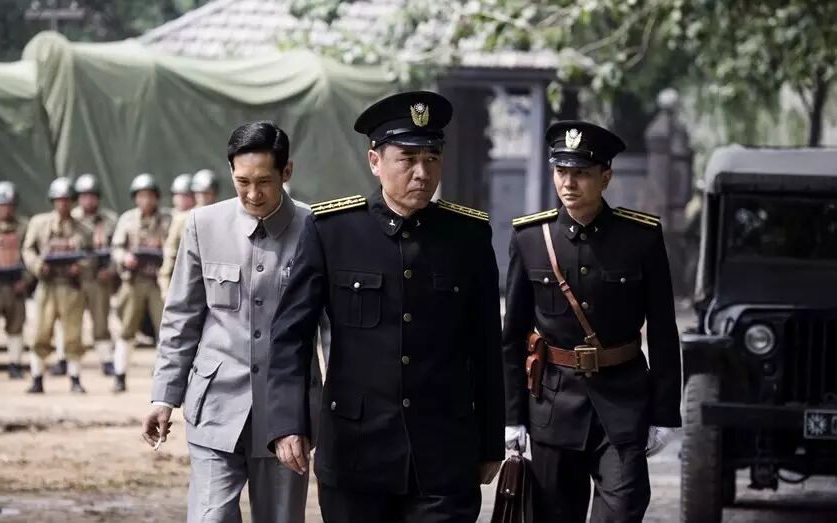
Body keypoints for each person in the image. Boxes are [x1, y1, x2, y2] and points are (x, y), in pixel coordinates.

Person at [266, 91, 504, 523]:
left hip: (444, 454)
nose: (422, 172)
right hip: (356, 452)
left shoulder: (467, 236)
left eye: (432, 158)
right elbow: (290, 336)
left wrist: (491, 442)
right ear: (375, 161)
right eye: (407, 159)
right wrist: (287, 422)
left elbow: (486, 346)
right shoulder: (333, 231)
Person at [502, 121, 682, 522]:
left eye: (581, 173)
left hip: (623, 404)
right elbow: (512, 336)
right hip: (552, 407)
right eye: (561, 171)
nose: (569, 183)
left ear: (606, 177)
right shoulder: (531, 238)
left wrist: (666, 413)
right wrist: (512, 417)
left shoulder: (641, 238)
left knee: (623, 510)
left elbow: (664, 331)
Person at [144, 121, 319, 522]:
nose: (253, 194)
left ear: (286, 172)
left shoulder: (314, 227)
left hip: (287, 415)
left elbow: (331, 328)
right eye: (242, 182)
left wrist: (329, 410)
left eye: (264, 182)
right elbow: (181, 317)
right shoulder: (202, 225)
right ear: (230, 172)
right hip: (215, 406)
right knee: (210, 516)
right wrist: (163, 396)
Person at [22, 177, 92, 394]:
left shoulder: (83, 229)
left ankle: (75, 378)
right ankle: (37, 378)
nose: (63, 204)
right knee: (40, 333)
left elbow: (91, 255)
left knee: (73, 335)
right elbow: (28, 249)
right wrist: (37, 265)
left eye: (67, 200)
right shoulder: (39, 224)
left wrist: (80, 266)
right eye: (59, 200)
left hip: (71, 287)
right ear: (53, 201)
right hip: (47, 285)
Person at [111, 174, 170, 393]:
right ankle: (119, 374)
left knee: (165, 328)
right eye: (142, 196)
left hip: (158, 281)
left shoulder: (167, 219)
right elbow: (116, 247)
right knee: (127, 329)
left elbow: (174, 245)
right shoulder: (127, 219)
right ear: (135, 198)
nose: (146, 200)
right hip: (134, 280)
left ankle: (164, 378)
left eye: (150, 196)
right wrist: (125, 257)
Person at [71, 173, 119, 376]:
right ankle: (66, 360)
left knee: (101, 321)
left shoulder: (109, 220)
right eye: (84, 196)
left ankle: (106, 359)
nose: (88, 200)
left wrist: (111, 270)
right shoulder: (70, 219)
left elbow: (118, 249)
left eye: (92, 196)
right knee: (71, 322)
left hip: (99, 278)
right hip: (74, 280)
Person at [0, 181, 32, 380]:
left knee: (16, 326)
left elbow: (31, 253)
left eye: (10, 205)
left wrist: (27, 279)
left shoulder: (24, 226)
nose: (7, 209)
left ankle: (15, 364)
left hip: (15, 283)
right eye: (3, 205)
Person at [157, 169, 219, 298]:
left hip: (217, 279)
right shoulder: (184, 219)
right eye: (199, 192)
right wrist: (165, 287)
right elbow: (171, 253)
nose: (203, 196)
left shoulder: (223, 216)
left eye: (208, 193)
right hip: (190, 279)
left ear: (214, 193)